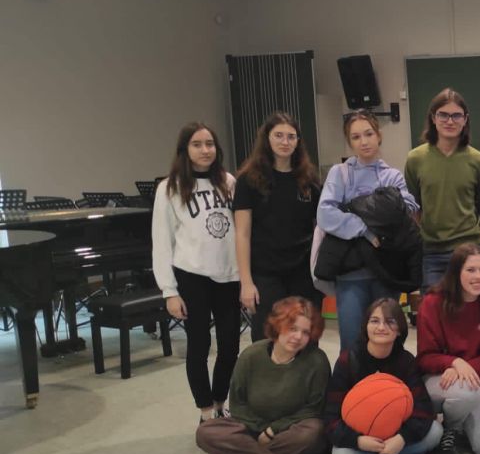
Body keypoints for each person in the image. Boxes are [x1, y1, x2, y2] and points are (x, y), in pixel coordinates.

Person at [152, 121, 240, 423]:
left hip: (228, 276)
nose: (205, 150)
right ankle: (205, 411)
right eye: (197, 144)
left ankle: (220, 401)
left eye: (210, 144)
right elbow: (161, 242)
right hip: (192, 276)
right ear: (185, 150)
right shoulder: (170, 187)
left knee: (230, 345)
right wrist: (169, 291)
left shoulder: (228, 182)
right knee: (199, 346)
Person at [325, 298, 463, 454]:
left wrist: (402, 438)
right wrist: (358, 441)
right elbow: (331, 417)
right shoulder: (348, 361)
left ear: (399, 330)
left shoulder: (405, 361)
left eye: (390, 321)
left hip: (397, 435)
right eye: (374, 321)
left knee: (435, 432)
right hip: (363, 437)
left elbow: (423, 409)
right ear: (365, 327)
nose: (381, 327)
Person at [315, 109, 419, 352]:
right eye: (356, 137)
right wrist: (365, 229)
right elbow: (326, 213)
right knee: (352, 344)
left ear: (378, 135)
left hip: (387, 270)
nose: (364, 141)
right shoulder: (339, 174)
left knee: (387, 340)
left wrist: (352, 208)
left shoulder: (392, 175)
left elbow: (406, 210)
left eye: (368, 134)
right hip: (351, 273)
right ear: (349, 142)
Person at [195, 297, 330, 454]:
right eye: (292, 328)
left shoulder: (317, 361)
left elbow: (313, 409)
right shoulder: (251, 355)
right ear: (278, 325)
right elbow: (238, 405)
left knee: (313, 433)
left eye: (305, 332)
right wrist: (259, 431)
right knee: (206, 432)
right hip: (250, 427)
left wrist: (272, 431)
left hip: (290, 430)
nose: (298, 337)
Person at [233, 111, 322, 342]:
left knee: (306, 336)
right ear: (267, 138)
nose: (285, 142)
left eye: (291, 137)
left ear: (298, 141)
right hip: (265, 274)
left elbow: (321, 226)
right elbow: (242, 234)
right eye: (279, 136)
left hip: (302, 272)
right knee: (267, 339)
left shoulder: (309, 179)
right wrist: (246, 282)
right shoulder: (248, 180)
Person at [416, 243, 480, 454]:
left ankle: (461, 417)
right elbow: (425, 357)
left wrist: (465, 368)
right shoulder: (432, 302)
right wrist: (454, 363)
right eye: (471, 270)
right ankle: (452, 427)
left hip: (476, 379)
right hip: (438, 378)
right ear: (456, 273)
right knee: (466, 393)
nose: (478, 277)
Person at [404, 88, 480, 290]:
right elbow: (413, 207)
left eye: (456, 115)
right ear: (433, 118)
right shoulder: (415, 159)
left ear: (465, 119)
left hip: (470, 250)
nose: (450, 121)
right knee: (433, 307)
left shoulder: (478, 160)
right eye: (443, 115)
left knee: (472, 306)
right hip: (431, 252)